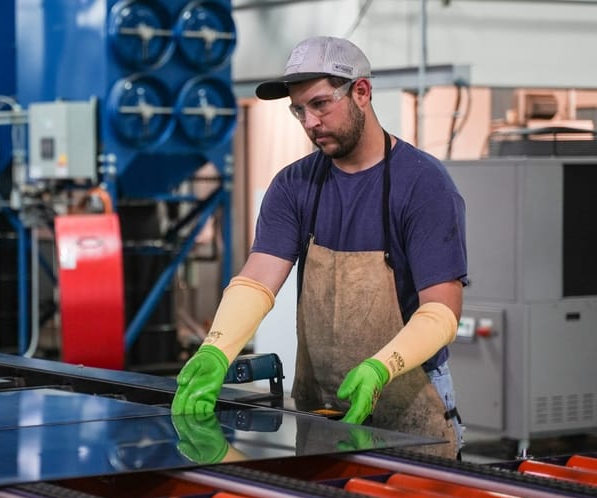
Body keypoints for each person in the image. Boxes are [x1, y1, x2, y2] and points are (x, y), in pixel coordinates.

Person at [171, 35, 467, 459]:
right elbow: (257, 281)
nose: (309, 122)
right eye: (298, 110)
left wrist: (381, 367)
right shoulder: (294, 185)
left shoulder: (422, 184)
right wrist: (216, 349)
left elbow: (441, 311)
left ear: (361, 92)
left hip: (410, 415)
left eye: (321, 104)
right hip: (321, 413)